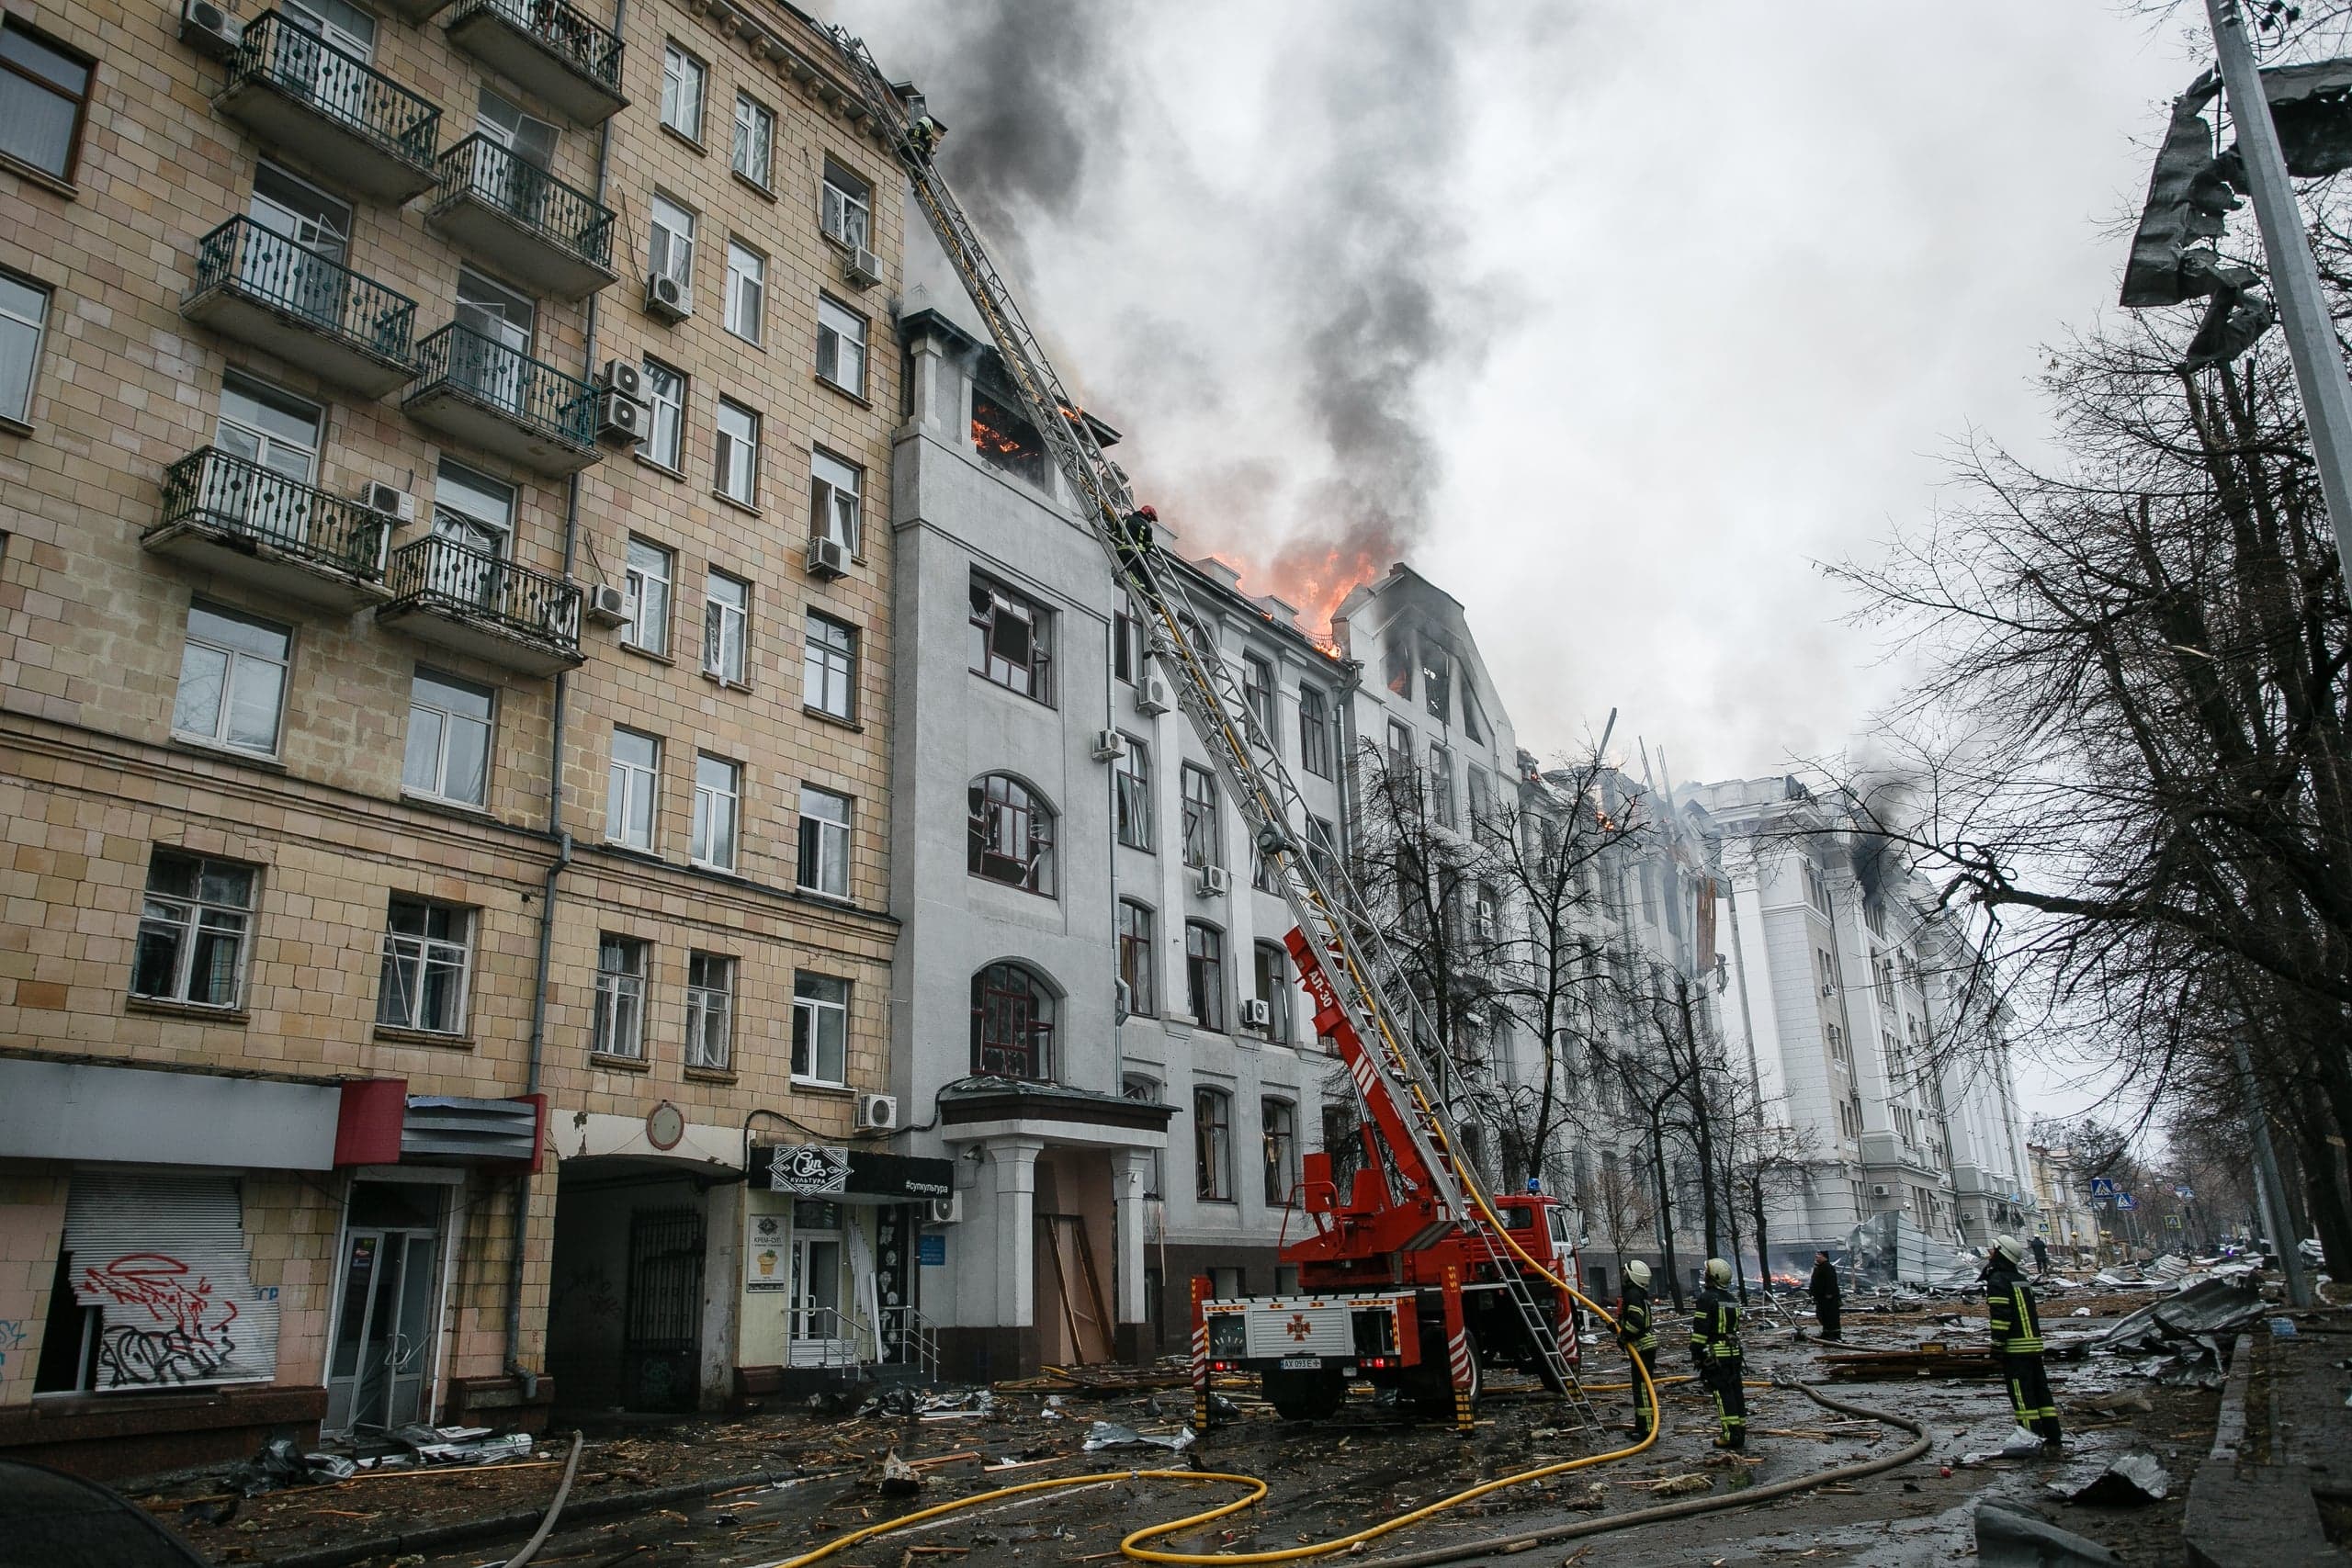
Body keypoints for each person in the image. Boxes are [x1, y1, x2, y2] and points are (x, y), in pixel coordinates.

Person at [1984, 1234, 2062, 1452]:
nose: (1990, 1253)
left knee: (2022, 1395)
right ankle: (2053, 1434)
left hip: (2015, 1350)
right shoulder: (2021, 1279)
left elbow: (2001, 1317)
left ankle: (2030, 1439)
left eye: (1993, 1249)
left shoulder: (1998, 1281)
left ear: (2000, 1253)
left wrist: (1997, 1345)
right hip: (2034, 1347)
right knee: (2041, 1393)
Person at [1690, 1257, 1747, 1450]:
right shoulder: (1731, 1300)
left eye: (1706, 1272)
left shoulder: (1706, 1298)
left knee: (1722, 1394)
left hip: (1715, 1352)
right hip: (1734, 1353)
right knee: (1735, 1391)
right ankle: (1740, 1430)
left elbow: (1700, 1331)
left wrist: (1697, 1353)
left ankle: (1730, 1435)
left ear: (1712, 1277)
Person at [1614, 1260, 1659, 1438]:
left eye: (1626, 1274)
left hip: (1642, 1346)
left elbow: (1636, 1323)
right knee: (1642, 1387)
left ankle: (1647, 1430)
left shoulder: (1632, 1294)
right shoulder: (1639, 1294)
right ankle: (1643, 1427)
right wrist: (1617, 1328)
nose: (1623, 1277)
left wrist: (1624, 1336)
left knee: (1642, 1389)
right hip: (1645, 1345)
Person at [1808, 1249, 1843, 1342]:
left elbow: (1831, 1282)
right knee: (1822, 1315)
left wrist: (1829, 1293)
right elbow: (1815, 1282)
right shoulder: (1819, 1267)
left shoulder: (1828, 1267)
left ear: (1824, 1257)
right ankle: (1826, 1333)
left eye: (1818, 1255)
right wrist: (1812, 1294)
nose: (1816, 1256)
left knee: (1831, 1316)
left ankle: (1834, 1334)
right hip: (1820, 1298)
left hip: (1829, 1298)